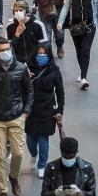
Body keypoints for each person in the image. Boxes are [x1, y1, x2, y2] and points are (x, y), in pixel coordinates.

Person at [0, 39, 34, 196]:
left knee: (18, 153)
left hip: (16, 117)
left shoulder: (21, 68)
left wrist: (25, 113)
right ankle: (3, 190)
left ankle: (13, 177)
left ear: (11, 49)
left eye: (6, 48)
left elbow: (29, 91)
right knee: (0, 156)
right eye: (1, 50)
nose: (4, 52)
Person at [58, 0, 98, 89]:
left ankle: (84, 78)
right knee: (79, 52)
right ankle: (82, 71)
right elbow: (66, 7)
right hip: (75, 26)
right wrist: (60, 22)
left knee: (85, 51)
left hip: (90, 26)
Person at [25, 44, 65, 178]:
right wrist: (26, 78)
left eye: (44, 53)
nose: (41, 56)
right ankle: (34, 155)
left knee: (43, 139)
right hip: (30, 110)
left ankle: (42, 165)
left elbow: (60, 91)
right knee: (30, 139)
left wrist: (60, 110)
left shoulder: (54, 70)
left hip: (47, 109)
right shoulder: (27, 69)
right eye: (39, 53)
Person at [7, 0, 50, 65]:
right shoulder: (10, 26)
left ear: (26, 11)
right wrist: (17, 34)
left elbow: (44, 45)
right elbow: (9, 48)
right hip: (17, 62)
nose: (18, 12)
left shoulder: (38, 25)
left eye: (20, 10)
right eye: (15, 11)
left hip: (34, 61)